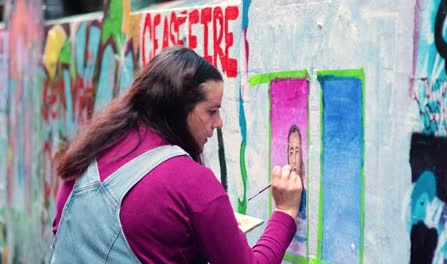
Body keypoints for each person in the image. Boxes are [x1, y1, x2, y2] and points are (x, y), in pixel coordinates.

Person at [50, 46, 303, 263]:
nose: (219, 123)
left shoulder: (87, 156)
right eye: (211, 111)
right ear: (179, 109)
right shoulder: (189, 182)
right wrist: (284, 211)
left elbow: (64, 234)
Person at [286, 124, 307, 254]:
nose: (293, 159)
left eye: (297, 151)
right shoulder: (284, 192)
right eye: (291, 152)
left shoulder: (305, 195)